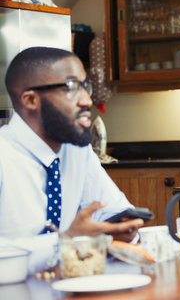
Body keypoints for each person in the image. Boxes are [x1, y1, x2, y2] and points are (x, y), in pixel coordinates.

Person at [0, 47, 144, 273]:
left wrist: (120, 227)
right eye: (70, 87)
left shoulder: (76, 150)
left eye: (85, 86)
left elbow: (114, 210)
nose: (87, 100)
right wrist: (66, 240)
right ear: (30, 100)